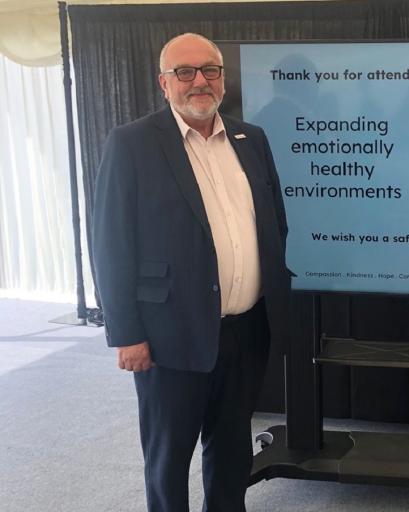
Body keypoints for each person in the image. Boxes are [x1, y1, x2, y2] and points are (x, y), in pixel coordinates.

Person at [92, 33, 291, 512]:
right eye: (185, 72)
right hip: (168, 338)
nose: (199, 81)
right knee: (169, 459)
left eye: (210, 70)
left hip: (246, 331)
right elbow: (111, 243)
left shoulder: (252, 139)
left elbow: (275, 224)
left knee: (231, 454)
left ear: (223, 78)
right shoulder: (133, 143)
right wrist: (127, 334)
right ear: (164, 83)